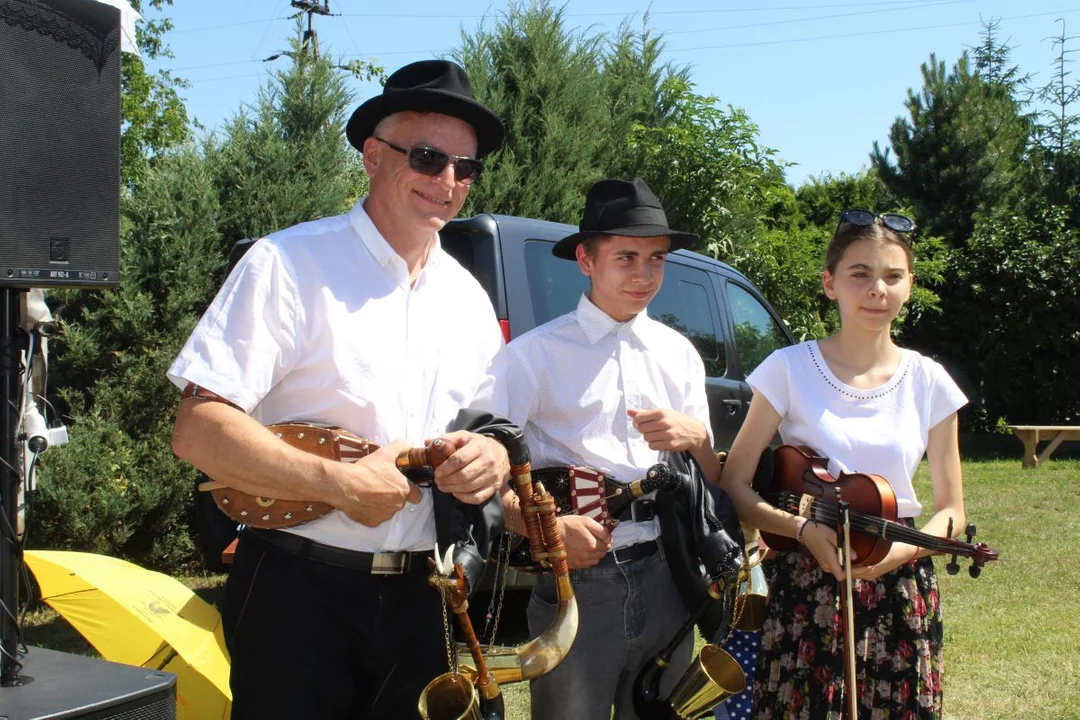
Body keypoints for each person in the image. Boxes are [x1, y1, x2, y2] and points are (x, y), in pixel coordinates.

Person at [168, 59, 512, 720]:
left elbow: (488, 425)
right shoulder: (288, 263)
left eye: (464, 168)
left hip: (424, 599)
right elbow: (199, 430)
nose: (447, 182)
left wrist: (491, 459)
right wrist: (340, 485)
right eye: (428, 157)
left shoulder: (469, 300)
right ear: (372, 157)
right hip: (297, 592)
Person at [475, 177, 725, 719]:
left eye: (656, 259)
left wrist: (698, 438)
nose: (644, 275)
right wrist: (539, 526)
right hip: (576, 583)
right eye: (627, 257)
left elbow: (710, 480)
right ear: (586, 259)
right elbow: (479, 473)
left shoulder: (678, 354)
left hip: (667, 571)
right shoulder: (531, 358)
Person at [718, 209, 968, 719]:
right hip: (805, 579)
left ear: (910, 285)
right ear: (830, 283)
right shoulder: (788, 369)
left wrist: (897, 555)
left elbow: (951, 511)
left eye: (892, 276)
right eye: (861, 274)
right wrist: (802, 530)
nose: (877, 289)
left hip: (898, 579)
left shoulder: (929, 380)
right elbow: (737, 485)